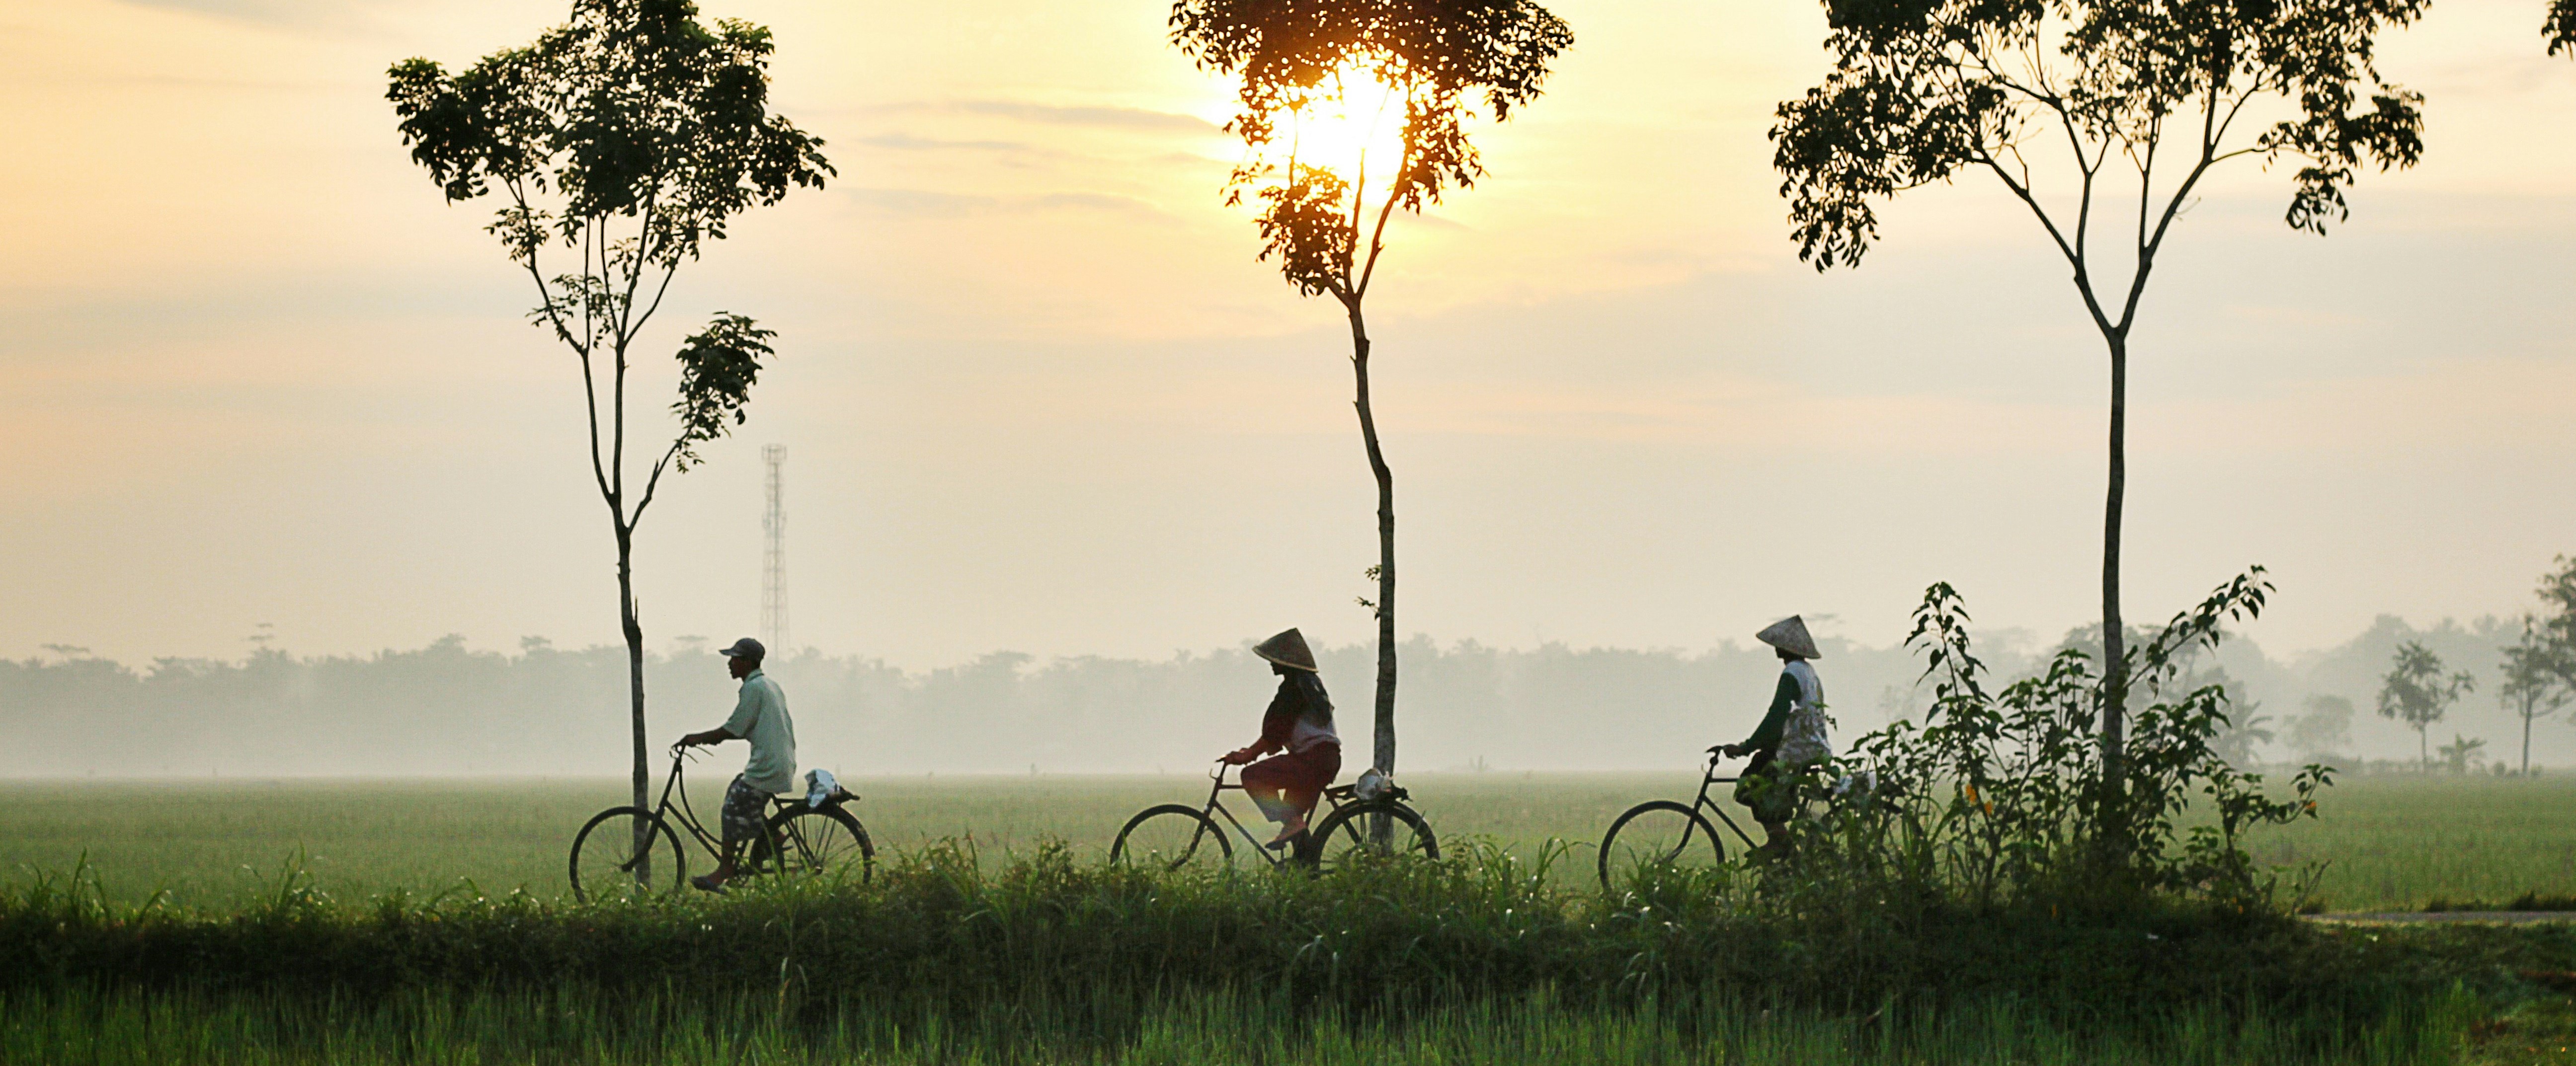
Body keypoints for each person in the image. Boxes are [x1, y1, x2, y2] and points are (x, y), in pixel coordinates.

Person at [674, 637, 796, 892]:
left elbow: (734, 729)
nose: (730, 664)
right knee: (738, 791)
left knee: (732, 808)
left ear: (748, 662)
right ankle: (772, 835)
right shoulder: (769, 685)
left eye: (735, 659)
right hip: (778, 761)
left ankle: (726, 869)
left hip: (768, 766)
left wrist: (696, 739)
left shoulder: (754, 688)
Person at [1717, 615, 1830, 857]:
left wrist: (1746, 747)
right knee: (1765, 770)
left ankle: (1779, 839)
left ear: (1784, 649)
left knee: (1751, 782)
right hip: (1812, 745)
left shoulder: (1792, 672)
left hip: (1798, 749)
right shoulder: (1809, 672)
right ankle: (1784, 844)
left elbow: (1776, 716)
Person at [1222, 628, 1342, 847]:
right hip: (1323, 759)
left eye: (1275, 658)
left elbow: (1276, 731)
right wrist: (1250, 751)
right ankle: (1306, 869)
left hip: (1312, 760)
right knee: (1294, 825)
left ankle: (1293, 824)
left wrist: (1248, 756)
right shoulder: (1307, 684)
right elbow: (1277, 733)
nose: (1271, 663)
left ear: (1287, 661)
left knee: (1252, 776)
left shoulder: (1295, 689)